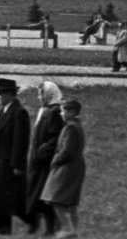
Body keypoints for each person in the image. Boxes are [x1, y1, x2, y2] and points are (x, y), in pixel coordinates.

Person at [0, 77, 31, 235]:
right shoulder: (4, 111)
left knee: (6, 199)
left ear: (10, 94)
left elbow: (21, 140)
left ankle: (5, 227)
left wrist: (18, 164)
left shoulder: (18, 112)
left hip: (7, 164)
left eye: (1, 94)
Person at [40, 98, 86, 238]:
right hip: (76, 165)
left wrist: (55, 161)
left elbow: (66, 150)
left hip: (66, 166)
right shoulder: (77, 125)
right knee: (71, 201)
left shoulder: (70, 127)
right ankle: (74, 229)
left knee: (56, 198)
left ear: (71, 112)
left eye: (63, 111)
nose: (61, 114)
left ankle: (68, 229)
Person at [25, 81, 66, 236]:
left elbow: (56, 137)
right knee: (35, 192)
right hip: (37, 160)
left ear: (49, 94)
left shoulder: (55, 111)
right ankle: (35, 225)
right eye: (39, 94)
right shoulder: (45, 110)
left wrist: (42, 151)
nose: (39, 97)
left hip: (45, 161)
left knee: (45, 195)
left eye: (42, 94)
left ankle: (50, 228)